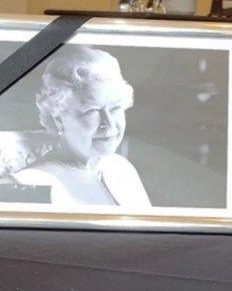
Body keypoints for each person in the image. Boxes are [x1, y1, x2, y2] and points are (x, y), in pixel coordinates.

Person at [12, 47, 151, 207]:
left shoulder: (122, 168)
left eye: (115, 108)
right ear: (58, 118)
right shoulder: (37, 182)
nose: (109, 124)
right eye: (92, 110)